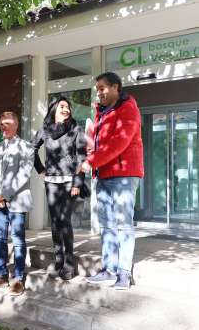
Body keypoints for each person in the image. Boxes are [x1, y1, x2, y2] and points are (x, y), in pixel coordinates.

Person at [80, 72, 144, 290]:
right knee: (107, 225)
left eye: (102, 88)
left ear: (116, 87)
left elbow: (120, 141)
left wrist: (91, 161)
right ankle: (109, 268)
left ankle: (124, 273)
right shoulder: (101, 112)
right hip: (104, 173)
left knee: (124, 224)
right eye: (97, 89)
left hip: (124, 173)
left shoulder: (128, 107)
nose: (99, 92)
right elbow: (98, 143)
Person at [33, 97, 87, 280]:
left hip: (69, 181)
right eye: (62, 106)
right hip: (51, 181)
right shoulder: (44, 130)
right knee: (55, 222)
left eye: (68, 106)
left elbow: (81, 157)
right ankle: (58, 261)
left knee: (65, 221)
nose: (66, 109)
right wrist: (40, 169)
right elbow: (31, 149)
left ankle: (69, 263)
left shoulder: (76, 129)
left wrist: (78, 183)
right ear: (54, 109)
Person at [0, 111, 35, 296]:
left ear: (16, 125)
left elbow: (24, 174)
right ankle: (1, 276)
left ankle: (19, 278)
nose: (3, 126)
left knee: (18, 240)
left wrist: (5, 194)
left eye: (7, 122)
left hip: (17, 201)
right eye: (2, 123)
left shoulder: (27, 147)